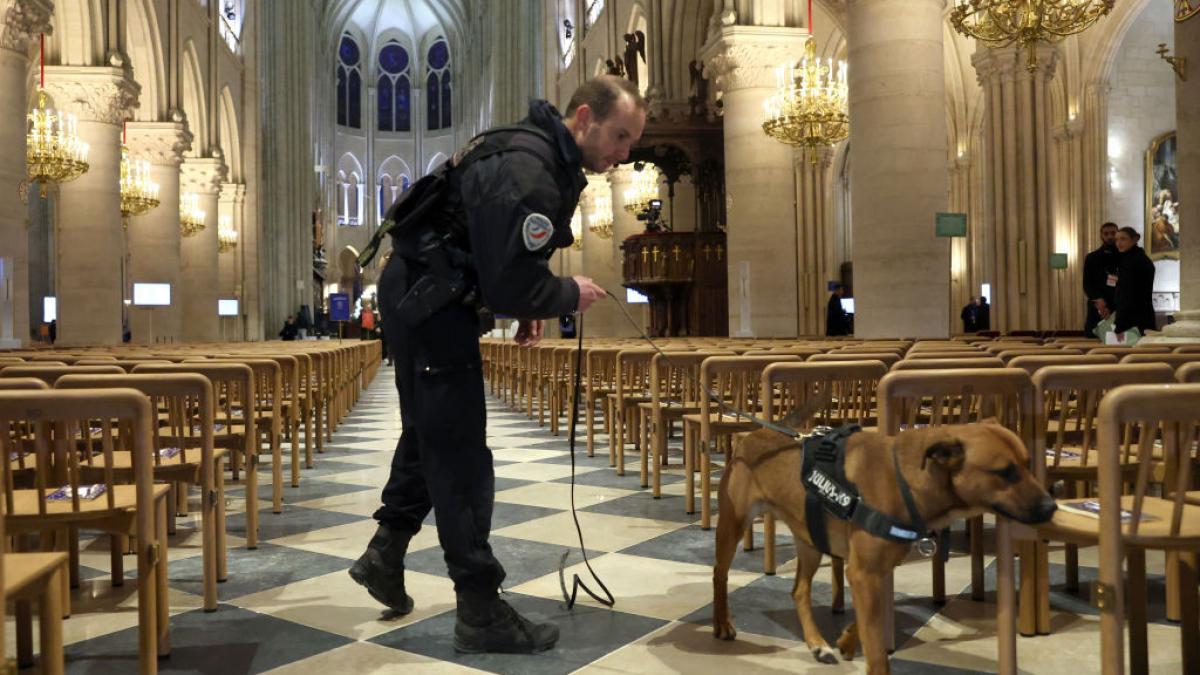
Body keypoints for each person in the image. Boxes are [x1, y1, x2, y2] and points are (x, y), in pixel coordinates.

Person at [350, 75, 643, 654]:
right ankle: (479, 609)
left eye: (631, 141)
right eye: (619, 136)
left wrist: (517, 304)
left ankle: (385, 552)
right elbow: (511, 275)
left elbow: (494, 256)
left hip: (426, 297)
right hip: (429, 303)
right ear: (583, 118)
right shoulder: (530, 170)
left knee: (432, 433)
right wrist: (560, 295)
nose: (623, 153)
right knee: (461, 455)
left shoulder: (531, 152)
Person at [1112, 226, 1157, 339]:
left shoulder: (1131, 261)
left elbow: (1128, 294)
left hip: (1133, 321)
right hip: (1143, 317)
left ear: (1134, 239)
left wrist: (1120, 325)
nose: (1119, 243)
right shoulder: (1139, 257)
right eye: (1116, 240)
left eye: (1123, 239)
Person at [1082, 222, 1120, 335]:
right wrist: (1099, 300)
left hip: (1118, 306)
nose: (1109, 236)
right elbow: (1087, 284)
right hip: (1097, 306)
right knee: (1093, 339)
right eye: (1106, 233)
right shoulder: (1091, 257)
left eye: (1113, 233)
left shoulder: (1125, 256)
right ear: (1101, 236)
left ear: (1117, 234)